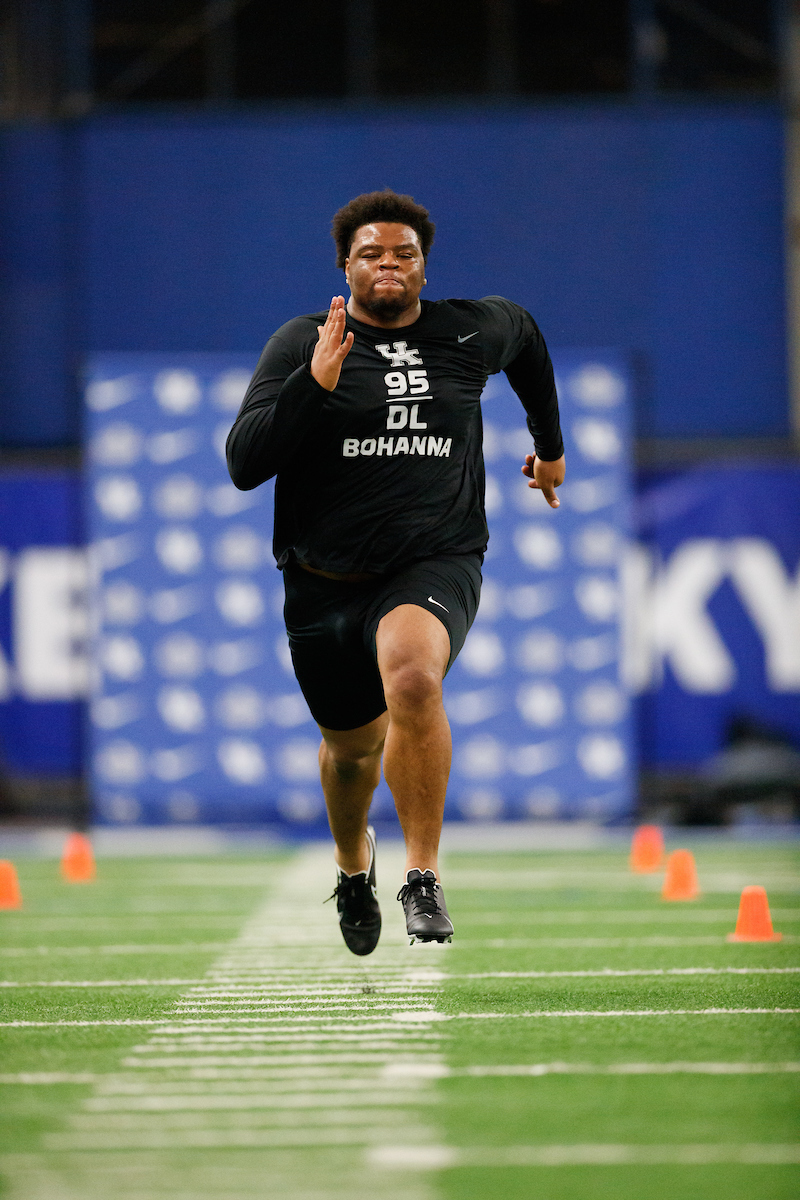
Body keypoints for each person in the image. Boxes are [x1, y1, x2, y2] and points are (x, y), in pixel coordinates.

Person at [226, 189, 564, 955]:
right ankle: (354, 868)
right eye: (372, 254)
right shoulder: (303, 341)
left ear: (423, 267)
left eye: (404, 254)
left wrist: (548, 445)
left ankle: (422, 875)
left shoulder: (471, 330)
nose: (388, 265)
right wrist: (312, 385)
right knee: (350, 754)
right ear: (344, 266)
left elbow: (531, 341)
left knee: (413, 678)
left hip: (433, 557)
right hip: (322, 578)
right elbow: (246, 465)